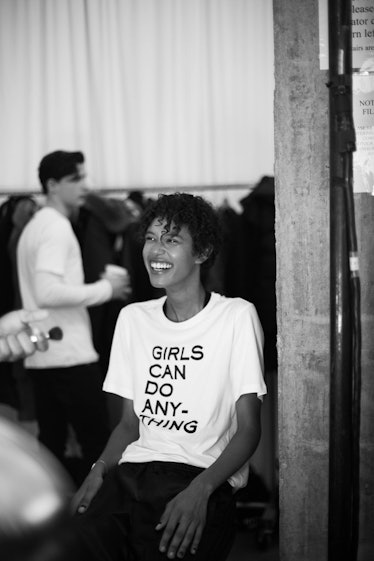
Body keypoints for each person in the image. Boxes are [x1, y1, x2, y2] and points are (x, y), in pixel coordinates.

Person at [70, 193, 267, 560]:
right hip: (132, 474)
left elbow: (249, 429)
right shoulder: (133, 319)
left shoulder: (236, 317)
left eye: (172, 240)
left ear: (203, 251)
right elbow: (130, 425)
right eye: (151, 238)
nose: (156, 250)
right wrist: (98, 471)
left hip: (201, 475)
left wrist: (201, 489)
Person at [16, 150, 131, 484]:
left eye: (84, 176)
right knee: (97, 446)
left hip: (44, 355)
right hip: (68, 355)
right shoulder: (56, 228)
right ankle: (97, 530)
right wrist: (105, 290)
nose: (85, 185)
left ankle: (53, 527)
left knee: (51, 450)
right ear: (52, 185)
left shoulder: (35, 226)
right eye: (75, 178)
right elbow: (47, 292)